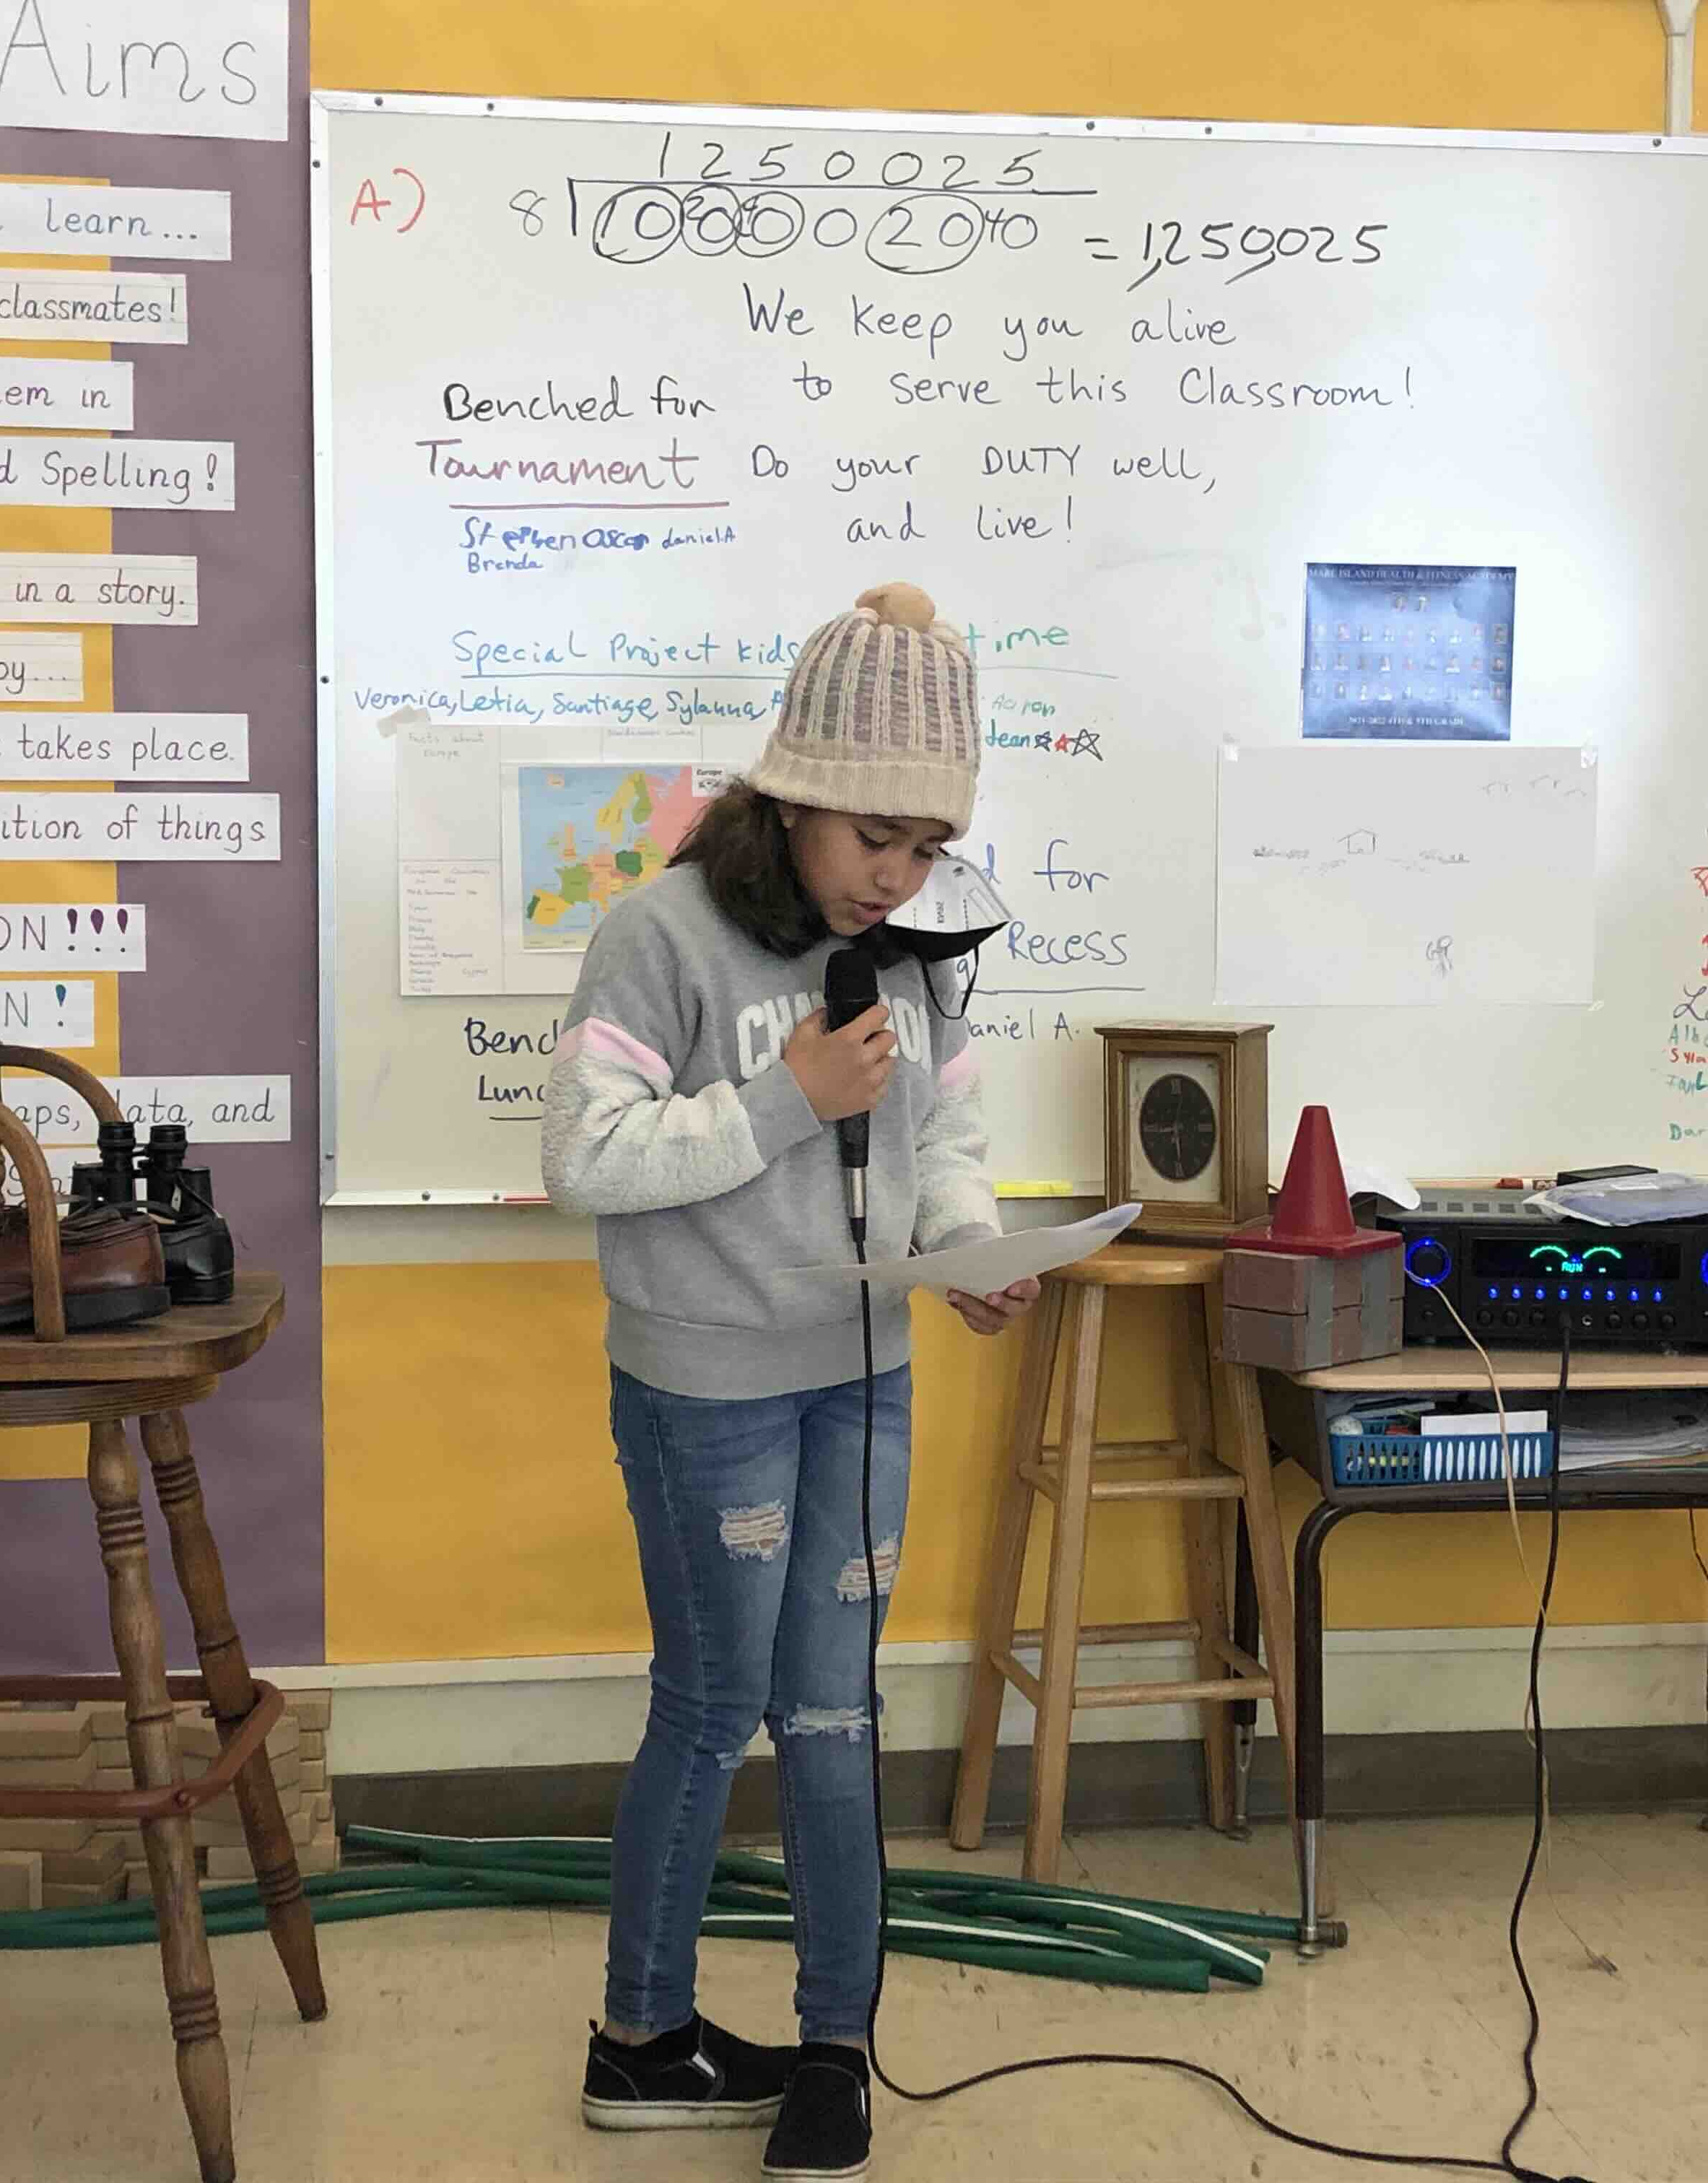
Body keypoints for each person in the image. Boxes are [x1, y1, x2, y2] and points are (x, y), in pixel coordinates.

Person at [542, 582, 1039, 2181]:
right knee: (712, 1710)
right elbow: (585, 1158)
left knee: (836, 1712)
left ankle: (837, 2050)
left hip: (868, 1375)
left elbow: (945, 1142)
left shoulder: (914, 950)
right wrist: (783, 1098)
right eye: (873, 839)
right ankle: (642, 2038)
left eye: (926, 847)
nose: (896, 876)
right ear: (794, 796)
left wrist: (970, 1250)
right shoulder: (660, 934)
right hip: (708, 1390)